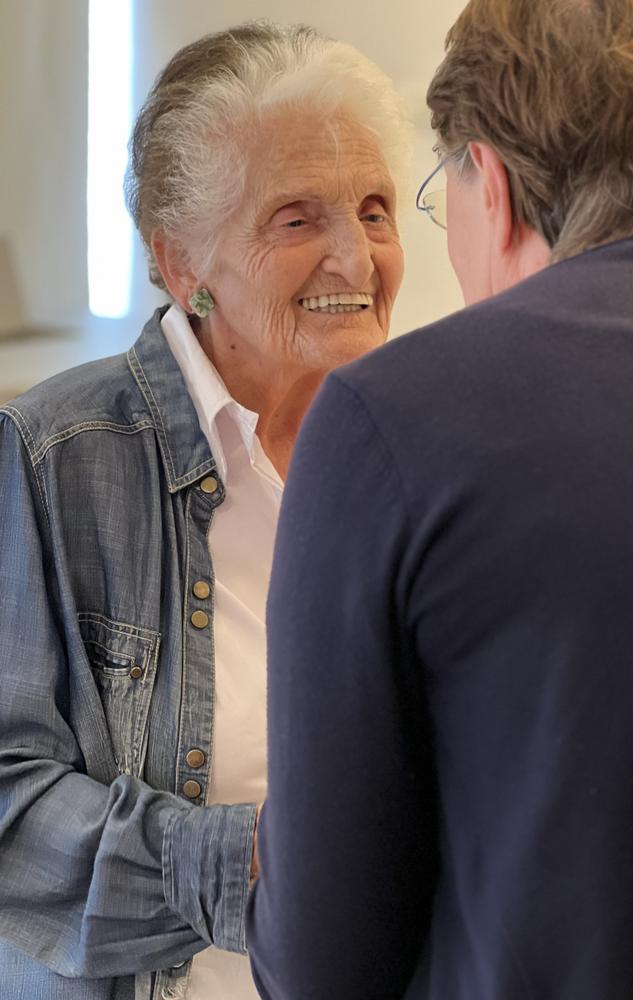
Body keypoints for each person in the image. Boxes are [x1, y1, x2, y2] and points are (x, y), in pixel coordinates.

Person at [0, 21, 412, 1000]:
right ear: (181, 263)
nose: (355, 258)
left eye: (373, 208)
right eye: (297, 219)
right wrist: (268, 865)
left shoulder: (428, 451)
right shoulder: (51, 453)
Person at [246, 1, 633, 998]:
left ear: (495, 188)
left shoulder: (391, 419)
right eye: (296, 219)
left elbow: (321, 960)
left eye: (403, 205)